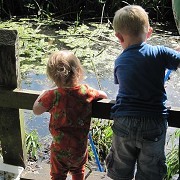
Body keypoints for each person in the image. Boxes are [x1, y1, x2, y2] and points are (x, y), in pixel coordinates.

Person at [105, 5, 180, 180]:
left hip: (124, 121)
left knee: (120, 171)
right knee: (150, 172)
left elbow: (126, 86)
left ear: (118, 36)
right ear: (149, 32)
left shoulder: (119, 61)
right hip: (153, 122)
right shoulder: (160, 52)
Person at [33, 50, 107, 180]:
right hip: (79, 148)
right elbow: (104, 95)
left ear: (52, 76)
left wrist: (43, 94)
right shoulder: (86, 91)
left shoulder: (53, 95)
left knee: (57, 176)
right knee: (78, 172)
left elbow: (36, 110)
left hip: (59, 150)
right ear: (78, 71)